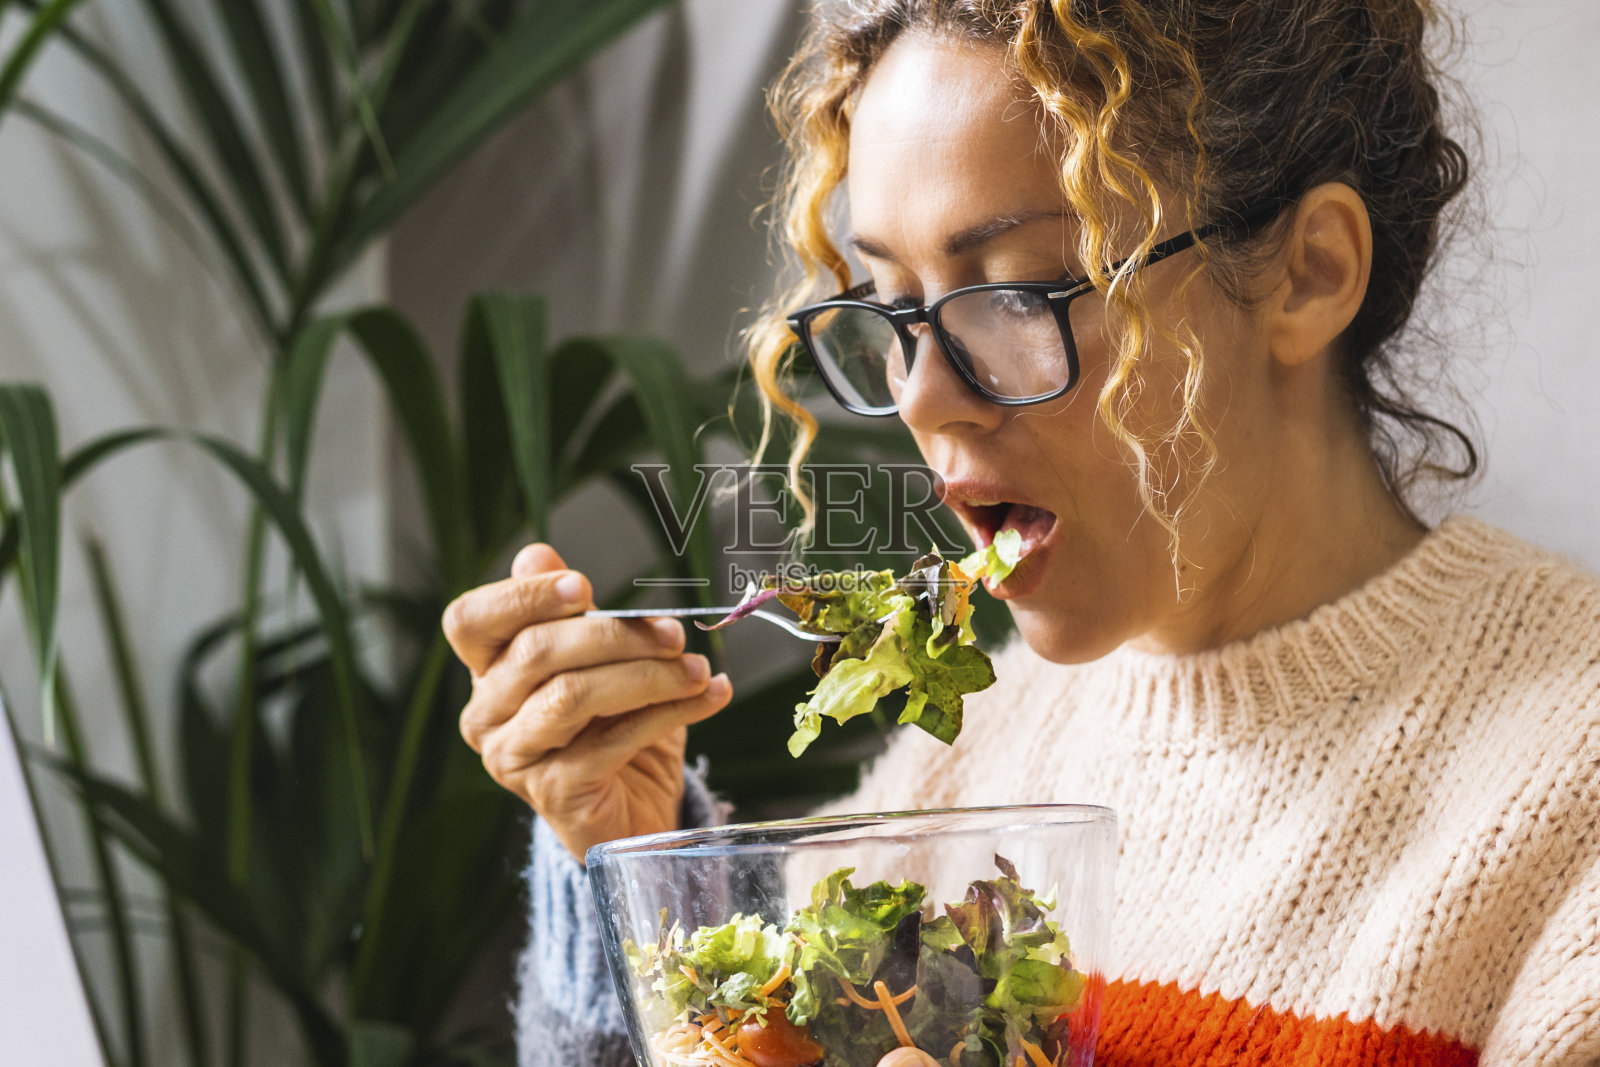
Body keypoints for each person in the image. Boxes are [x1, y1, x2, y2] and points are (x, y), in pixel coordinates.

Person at [442, 2, 1600, 1065]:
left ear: (1309, 272)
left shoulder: (1567, 780)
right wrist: (631, 851)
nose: (921, 396)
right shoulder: (970, 757)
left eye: (1015, 293)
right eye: (895, 309)